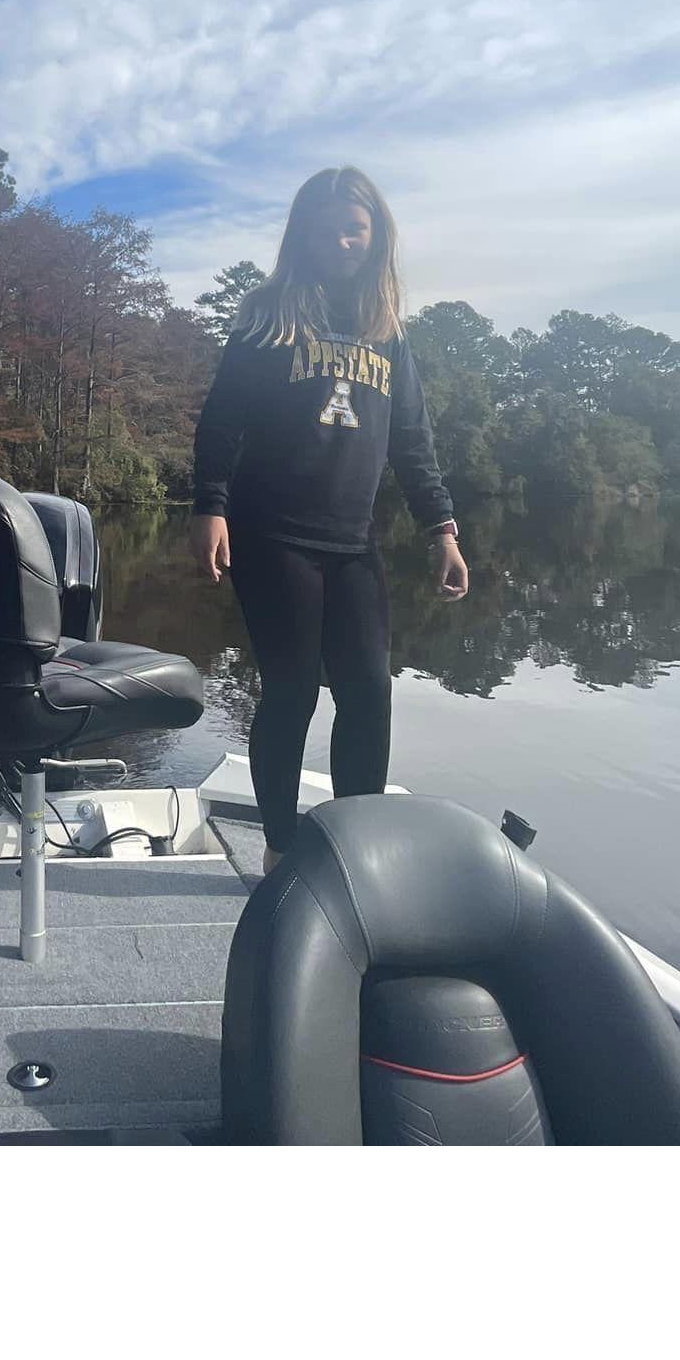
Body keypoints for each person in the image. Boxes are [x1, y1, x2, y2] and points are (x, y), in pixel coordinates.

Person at [189, 167, 468, 874]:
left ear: (375, 239)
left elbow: (412, 437)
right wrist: (210, 507)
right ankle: (281, 845)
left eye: (355, 229)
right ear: (303, 236)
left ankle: (355, 848)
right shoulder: (267, 314)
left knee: (369, 690)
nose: (341, 240)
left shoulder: (388, 332)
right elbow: (222, 422)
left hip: (355, 540)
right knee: (289, 689)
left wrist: (442, 528)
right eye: (327, 229)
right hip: (272, 530)